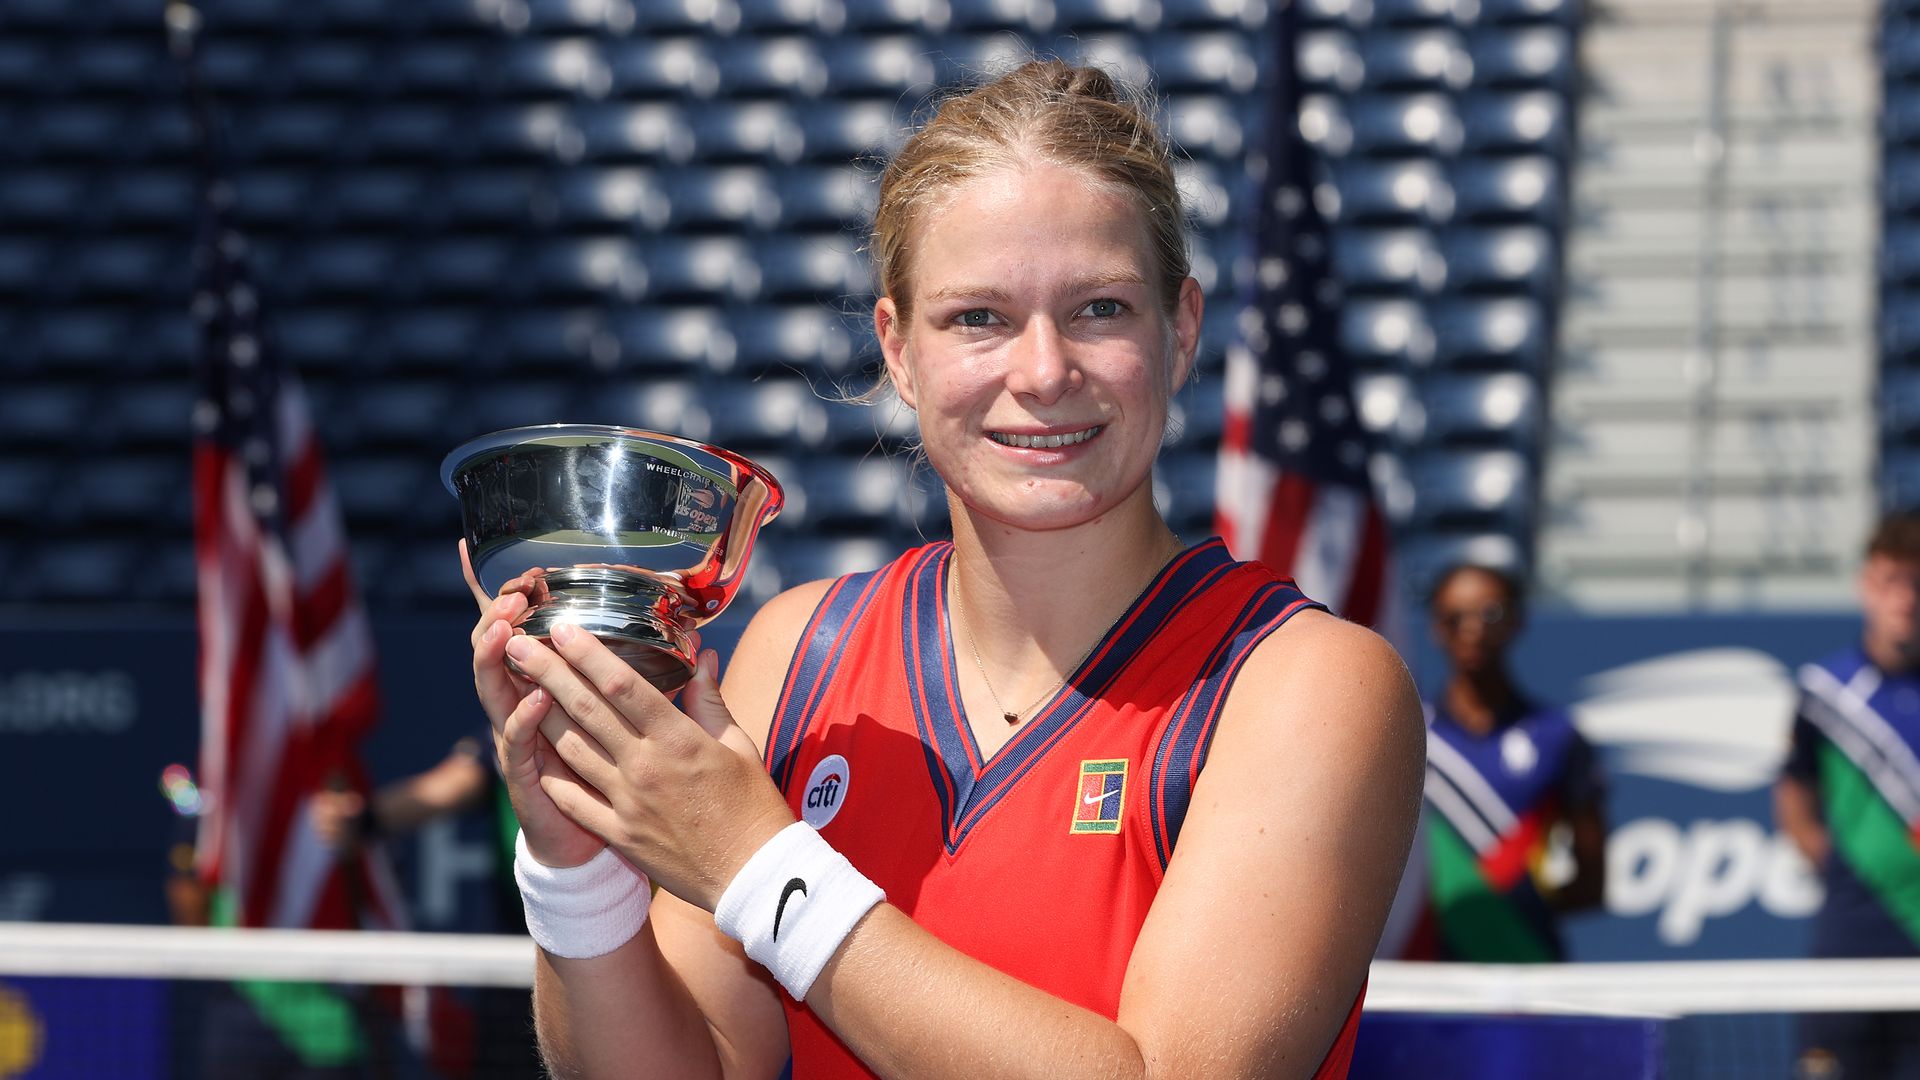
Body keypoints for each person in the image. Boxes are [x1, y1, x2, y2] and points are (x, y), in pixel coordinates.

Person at [463, 60, 1424, 1080]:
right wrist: (577, 865)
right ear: (898, 348)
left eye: (1100, 309)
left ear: (1181, 330)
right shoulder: (800, 653)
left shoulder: (1306, 685)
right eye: (979, 318)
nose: (1044, 371)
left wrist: (762, 866)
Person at [1775, 511, 1920, 1080]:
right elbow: (1794, 796)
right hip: (1850, 946)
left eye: (1917, 584)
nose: (1905, 600)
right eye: (1891, 582)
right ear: (1865, 586)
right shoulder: (1824, 692)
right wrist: (1841, 865)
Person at [1406, 562, 1606, 962]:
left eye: (1491, 613)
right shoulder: (1407, 735)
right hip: (1426, 976)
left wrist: (1519, 901)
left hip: (1528, 966)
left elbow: (1590, 885)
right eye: (1454, 617)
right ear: (1435, 627)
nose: (1473, 628)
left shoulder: (1558, 736)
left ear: (1517, 621)